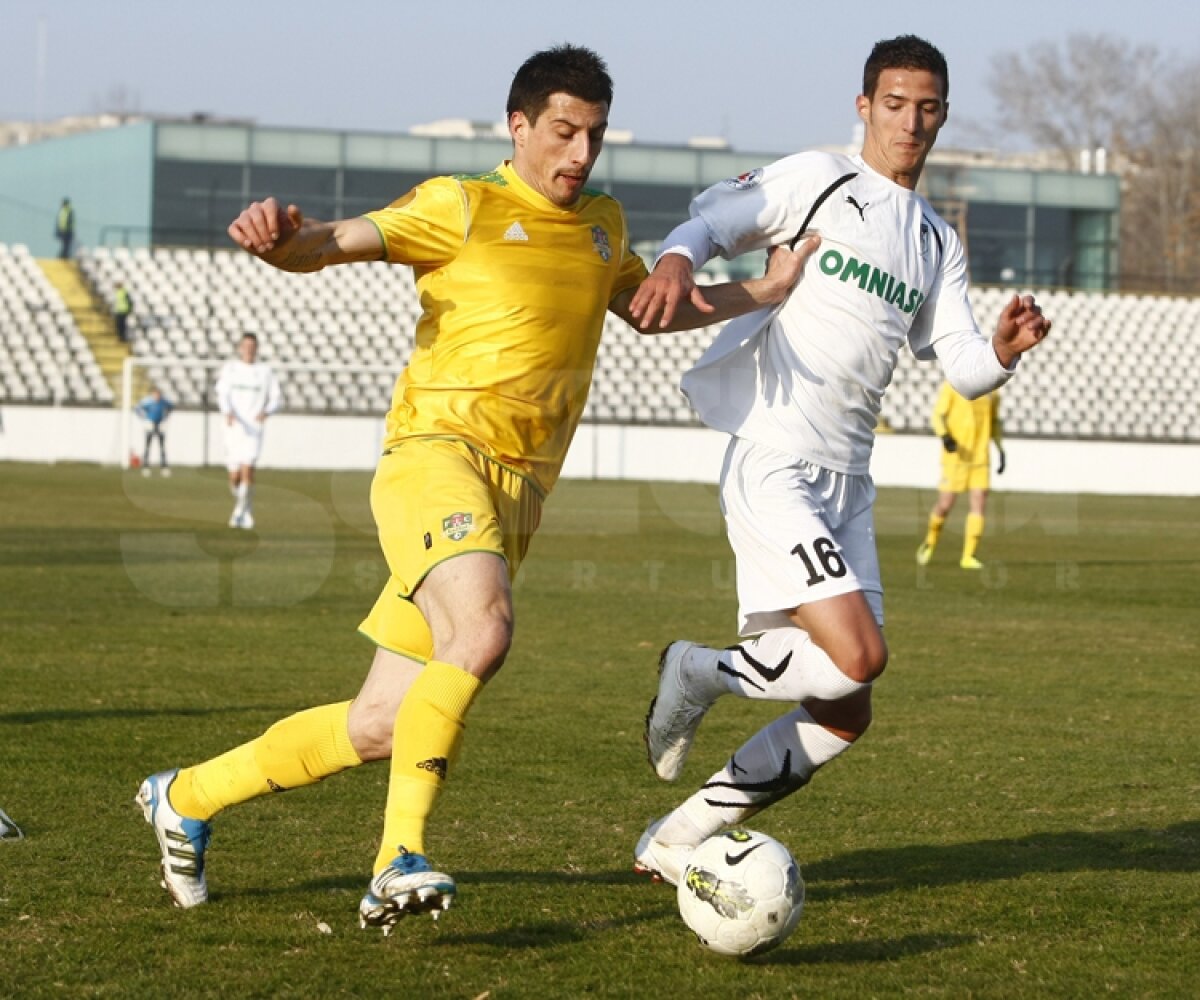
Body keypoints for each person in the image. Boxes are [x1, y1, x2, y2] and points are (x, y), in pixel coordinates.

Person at [134, 43, 816, 932]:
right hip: (435, 458)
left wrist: (764, 287)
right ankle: (395, 860)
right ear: (519, 125)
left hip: (516, 496)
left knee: (382, 723)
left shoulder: (602, 225)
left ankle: (183, 796)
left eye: (595, 136)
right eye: (563, 132)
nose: (579, 154)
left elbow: (654, 307)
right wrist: (281, 241)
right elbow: (334, 242)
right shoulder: (460, 205)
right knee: (485, 629)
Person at [629, 35, 1051, 886]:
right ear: (865, 107)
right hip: (777, 456)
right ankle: (698, 669)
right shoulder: (817, 177)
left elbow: (962, 363)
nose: (912, 122)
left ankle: (677, 838)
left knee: (845, 709)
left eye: (928, 107)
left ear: (942, 115)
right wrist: (677, 257)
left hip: (849, 483)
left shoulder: (935, 239)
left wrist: (1003, 351)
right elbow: (713, 222)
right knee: (861, 656)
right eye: (895, 104)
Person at [916, 382, 1004, 570]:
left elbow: (994, 421)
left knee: (979, 502)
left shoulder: (993, 390)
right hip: (956, 456)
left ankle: (968, 556)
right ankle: (930, 542)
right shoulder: (953, 385)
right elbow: (938, 415)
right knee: (945, 504)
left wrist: (1000, 448)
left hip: (981, 457)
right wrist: (945, 436)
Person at [214, 333, 281, 529]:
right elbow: (222, 393)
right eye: (246, 345)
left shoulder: (265, 372)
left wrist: (266, 412)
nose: (249, 349)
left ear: (256, 348)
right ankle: (244, 507)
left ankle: (239, 514)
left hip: (254, 429)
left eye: (252, 346)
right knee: (234, 477)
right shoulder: (231, 369)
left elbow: (276, 397)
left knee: (248, 470)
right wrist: (227, 412)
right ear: (240, 348)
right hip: (233, 428)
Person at [135, 387, 174, 476]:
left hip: (160, 425)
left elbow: (171, 407)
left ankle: (164, 467)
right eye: (155, 394)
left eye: (158, 394)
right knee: (148, 446)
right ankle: (145, 466)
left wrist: (166, 418)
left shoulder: (164, 402)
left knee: (162, 447)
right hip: (150, 425)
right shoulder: (148, 402)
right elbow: (137, 409)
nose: (157, 396)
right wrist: (145, 419)